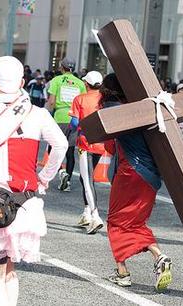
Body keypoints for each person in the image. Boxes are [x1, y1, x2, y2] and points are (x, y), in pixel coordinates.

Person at [0, 56, 67, 306]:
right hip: (26, 202)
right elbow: (60, 145)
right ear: (22, 82)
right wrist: (44, 177)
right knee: (9, 269)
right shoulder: (37, 114)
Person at [101, 74, 172, 292]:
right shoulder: (148, 106)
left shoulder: (114, 109)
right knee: (135, 222)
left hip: (130, 171)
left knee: (116, 220)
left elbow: (109, 147)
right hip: (152, 176)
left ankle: (127, 270)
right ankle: (155, 258)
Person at [69, 71, 105, 234]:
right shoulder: (103, 98)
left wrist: (73, 121)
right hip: (101, 143)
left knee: (87, 179)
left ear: (86, 83)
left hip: (85, 142)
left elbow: (75, 123)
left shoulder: (80, 99)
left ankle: (95, 216)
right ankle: (86, 213)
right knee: (87, 178)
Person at [47, 58, 86, 192]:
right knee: (70, 152)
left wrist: (48, 114)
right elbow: (83, 103)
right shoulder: (80, 83)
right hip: (74, 119)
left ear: (61, 67)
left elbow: (51, 102)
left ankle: (61, 172)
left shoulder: (56, 80)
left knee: (52, 149)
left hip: (59, 118)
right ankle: (67, 182)